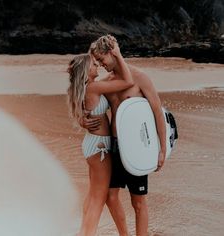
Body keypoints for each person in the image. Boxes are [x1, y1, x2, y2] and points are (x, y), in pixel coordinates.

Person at [84, 35, 167, 236]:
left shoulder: (140, 78)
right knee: (111, 197)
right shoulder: (106, 82)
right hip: (114, 146)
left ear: (112, 53)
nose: (101, 65)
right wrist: (82, 120)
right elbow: (88, 104)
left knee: (138, 200)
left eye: (102, 59)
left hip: (137, 148)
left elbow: (157, 111)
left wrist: (162, 148)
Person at [67, 44, 134, 236]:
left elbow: (82, 114)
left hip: (92, 144)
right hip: (100, 148)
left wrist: (82, 121)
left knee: (92, 196)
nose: (97, 66)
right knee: (99, 197)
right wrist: (119, 55)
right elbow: (128, 81)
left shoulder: (83, 89)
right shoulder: (94, 88)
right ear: (86, 71)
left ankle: (83, 231)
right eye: (93, 64)